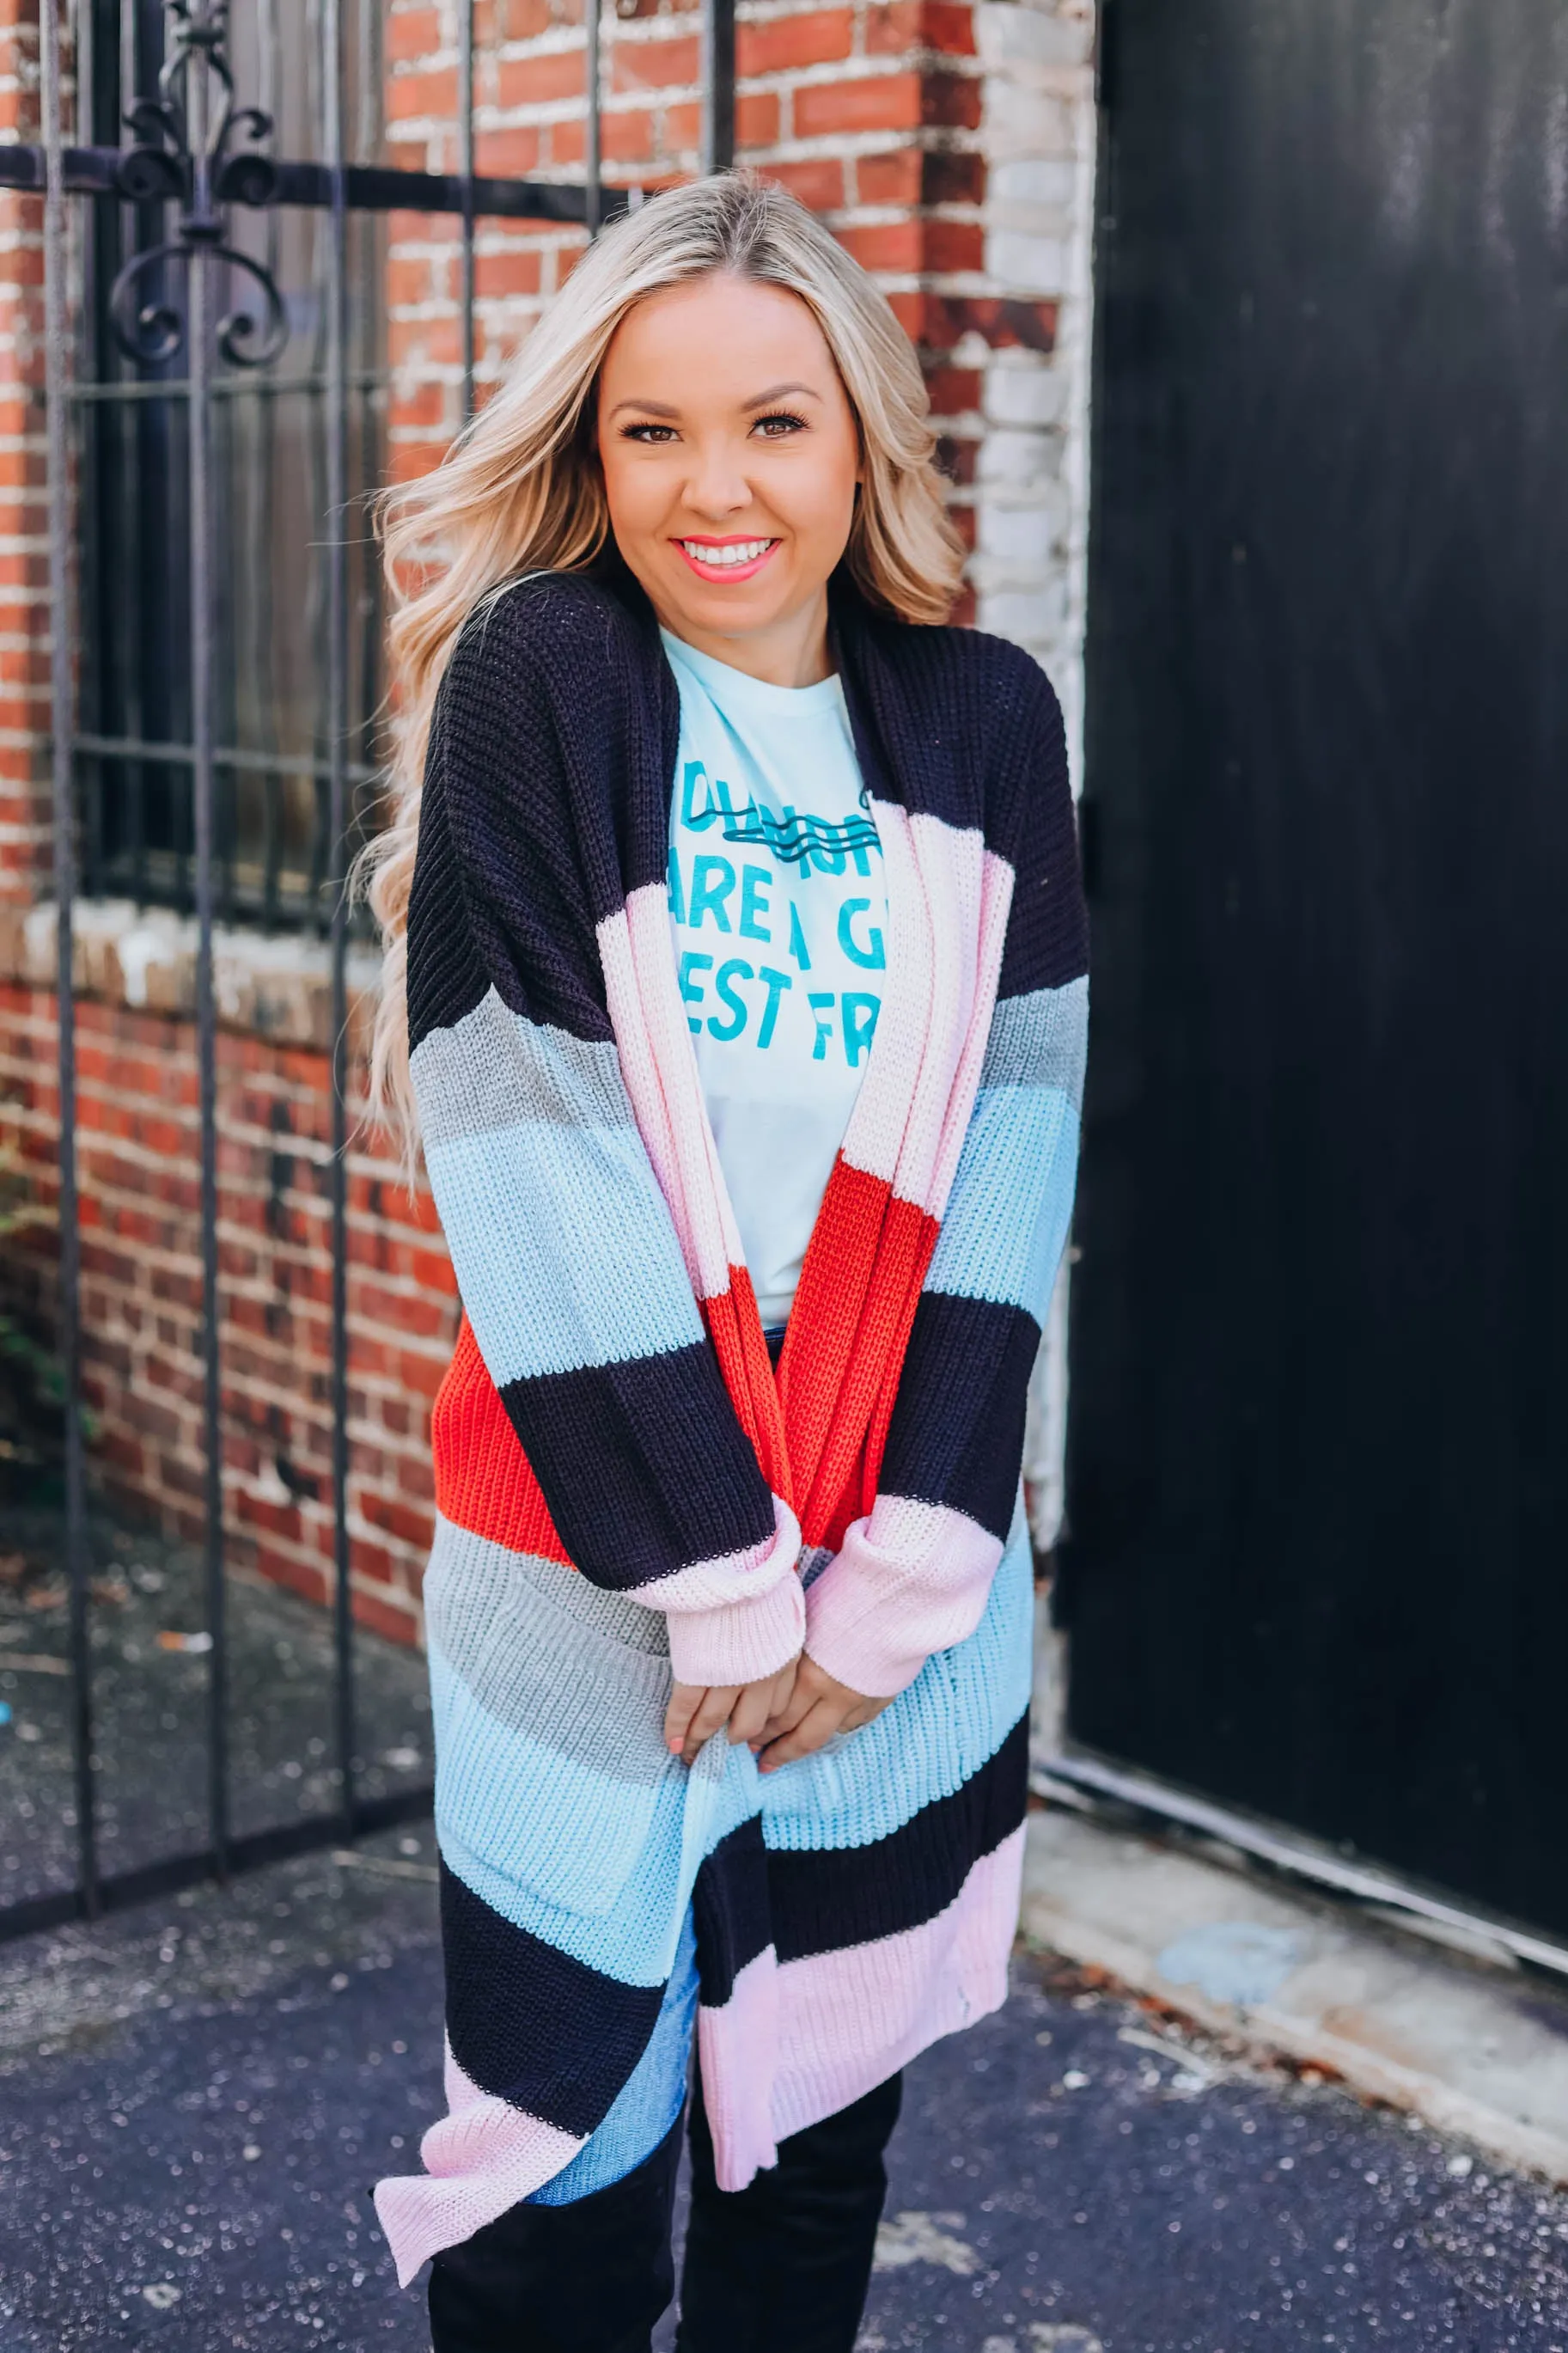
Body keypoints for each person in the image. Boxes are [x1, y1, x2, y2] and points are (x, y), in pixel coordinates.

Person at [359, 170, 1088, 2353]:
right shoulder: (551, 681)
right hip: (598, 1560)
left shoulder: (981, 721)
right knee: (565, 2169)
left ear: (861, 435)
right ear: (590, 451)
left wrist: (894, 1592)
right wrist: (723, 1580)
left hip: (903, 1564)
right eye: (651, 430)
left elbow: (1011, 1150)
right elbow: (532, 1142)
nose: (716, 489)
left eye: (775, 421)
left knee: (812, 2143)